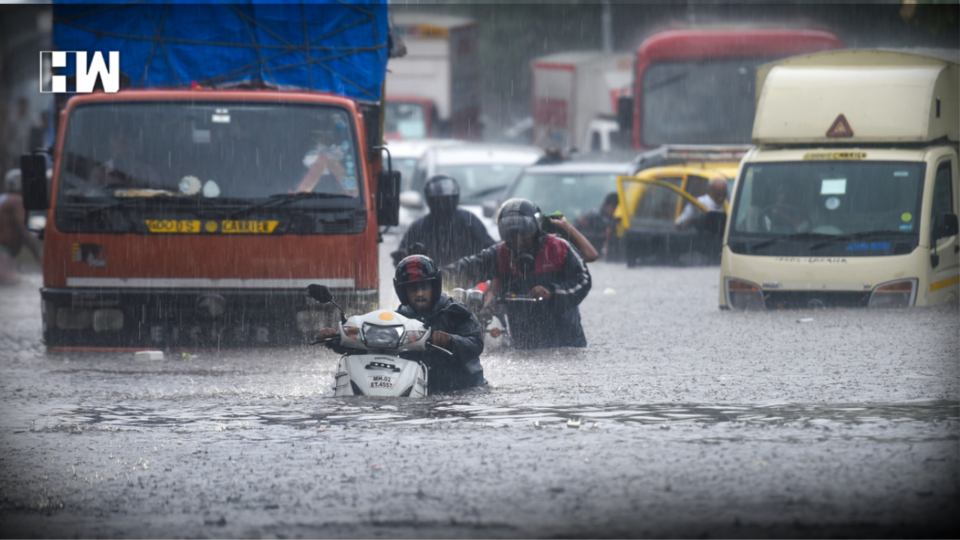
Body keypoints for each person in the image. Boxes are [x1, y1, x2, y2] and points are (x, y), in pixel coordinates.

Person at [316, 255, 485, 393]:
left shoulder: (455, 311)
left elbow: (476, 344)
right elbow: (372, 348)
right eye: (413, 288)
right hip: (419, 390)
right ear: (403, 291)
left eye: (424, 287)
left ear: (434, 286)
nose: (419, 293)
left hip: (464, 389)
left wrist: (450, 341)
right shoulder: (400, 319)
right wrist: (338, 341)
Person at [443, 198, 592, 349]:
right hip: (523, 344)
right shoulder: (500, 254)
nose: (518, 242)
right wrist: (432, 278)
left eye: (524, 235)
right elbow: (466, 269)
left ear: (537, 230)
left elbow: (584, 280)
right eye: (511, 236)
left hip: (567, 343)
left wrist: (552, 292)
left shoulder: (560, 247)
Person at [391, 175, 495, 266]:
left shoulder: (469, 221)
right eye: (438, 200)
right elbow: (402, 260)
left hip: (469, 281)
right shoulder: (419, 227)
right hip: (431, 283)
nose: (443, 204)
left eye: (448, 199)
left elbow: (490, 250)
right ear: (430, 200)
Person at [87, 127, 165, 193]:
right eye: (119, 142)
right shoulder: (100, 173)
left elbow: (157, 198)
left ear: (133, 147)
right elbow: (93, 198)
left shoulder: (147, 173)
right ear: (110, 147)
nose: (123, 148)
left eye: (126, 143)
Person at [0, 169, 42, 285]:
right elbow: (22, 228)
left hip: (3, 254)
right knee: (15, 285)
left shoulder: (3, 199)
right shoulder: (17, 201)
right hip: (3, 255)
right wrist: (38, 257)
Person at [575, 192, 619, 257]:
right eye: (613, 207)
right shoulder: (594, 216)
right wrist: (603, 236)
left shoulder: (613, 220)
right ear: (606, 205)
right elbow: (580, 233)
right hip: (588, 253)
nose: (615, 211)